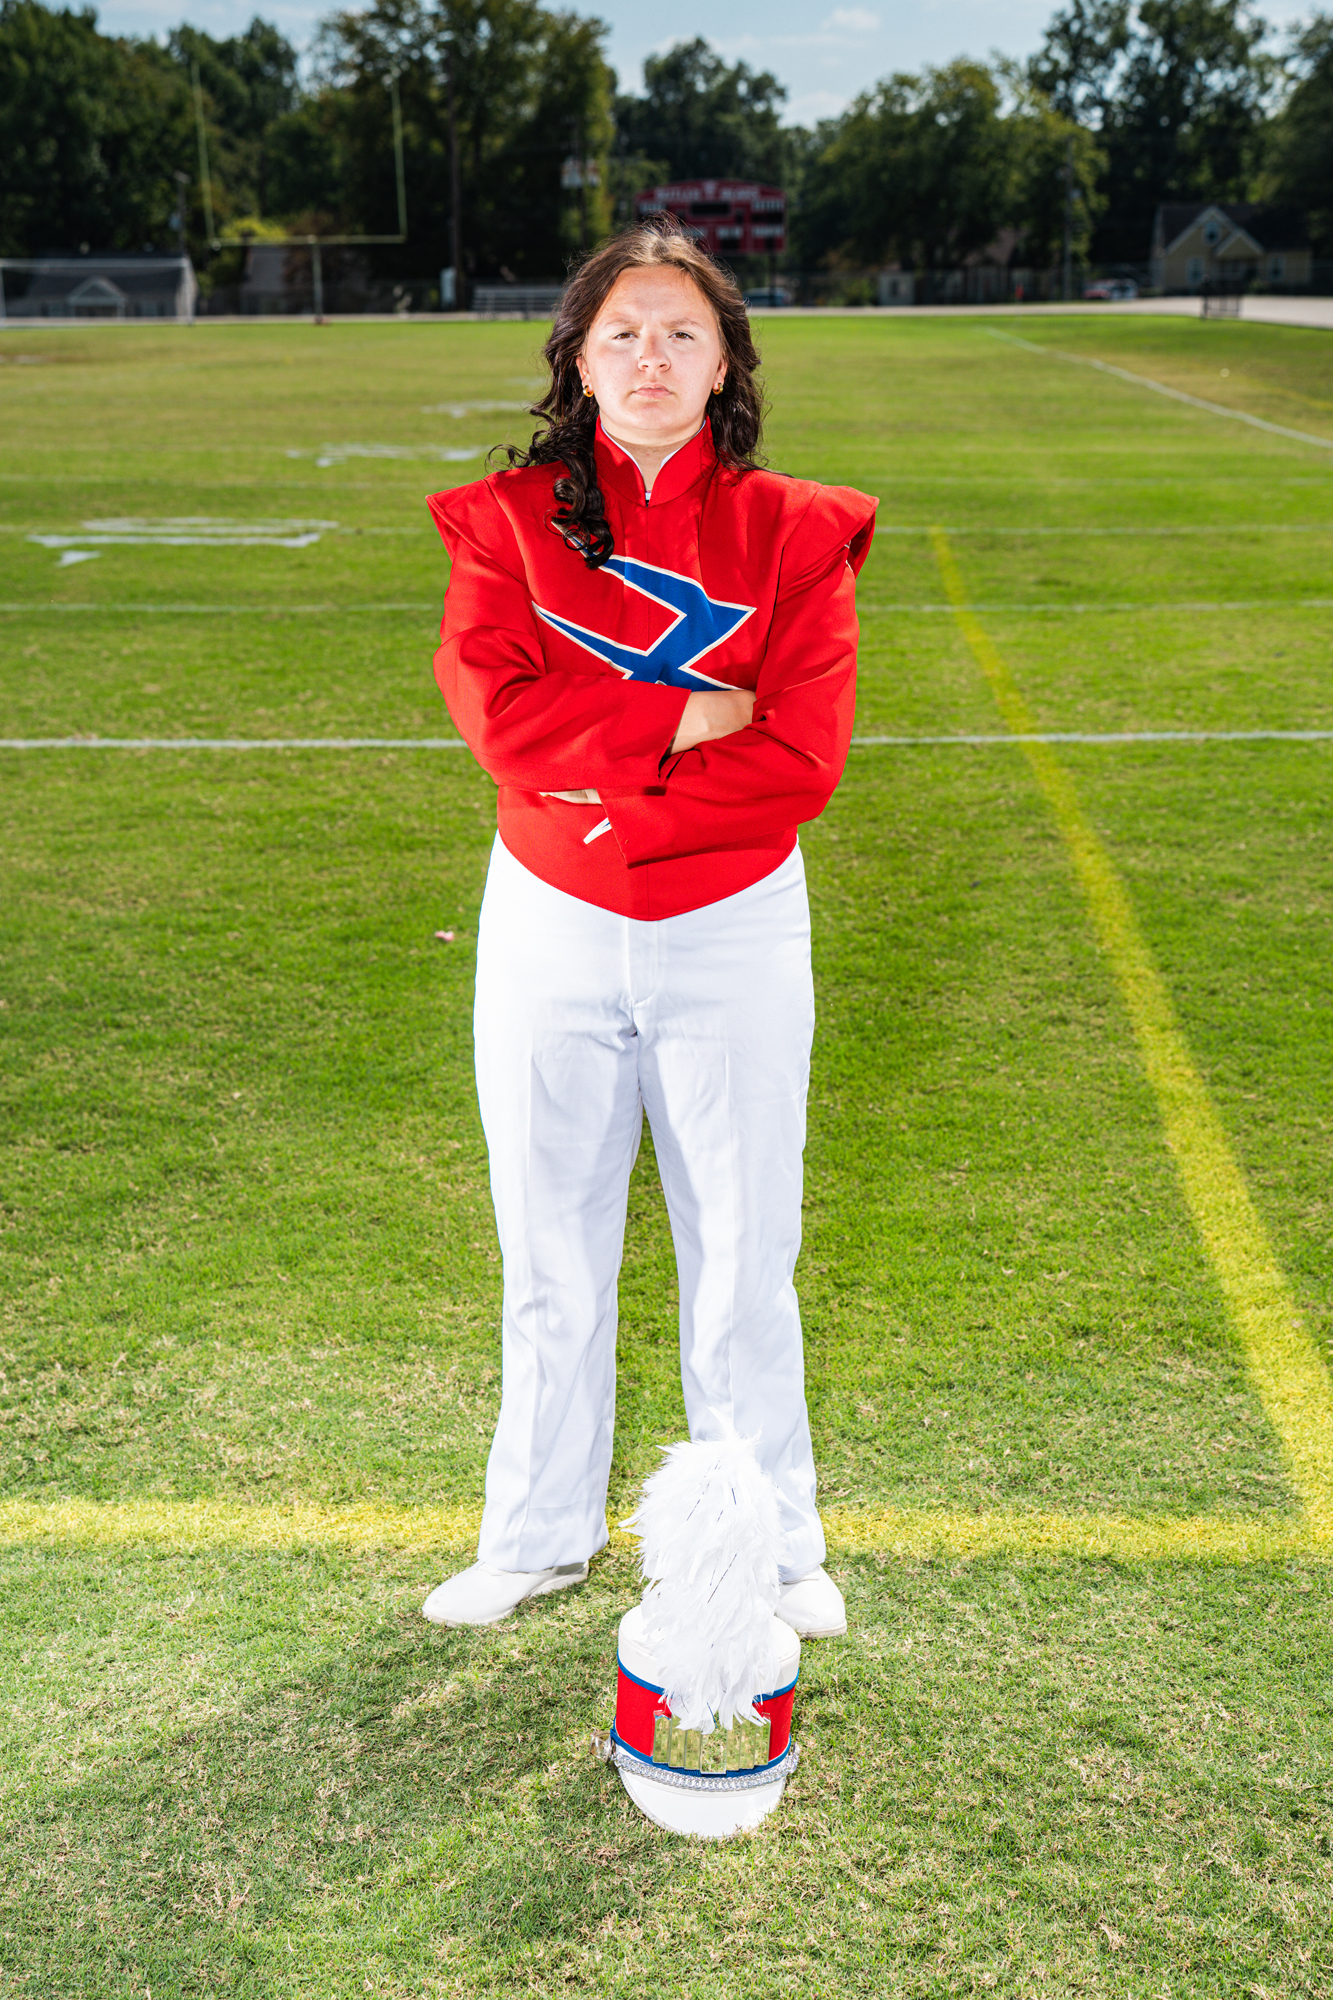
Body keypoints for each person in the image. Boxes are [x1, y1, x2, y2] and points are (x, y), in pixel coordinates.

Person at [421, 217, 876, 1635]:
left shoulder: (794, 528)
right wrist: (680, 719)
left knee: (743, 1251)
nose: (651, 356)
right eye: (621, 332)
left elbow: (800, 758)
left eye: (683, 331)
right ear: (579, 361)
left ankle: (771, 1546)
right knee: (546, 1244)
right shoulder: (506, 521)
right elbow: (499, 721)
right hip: (546, 920)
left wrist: (605, 788)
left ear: (726, 360)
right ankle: (537, 1535)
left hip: (732, 922)